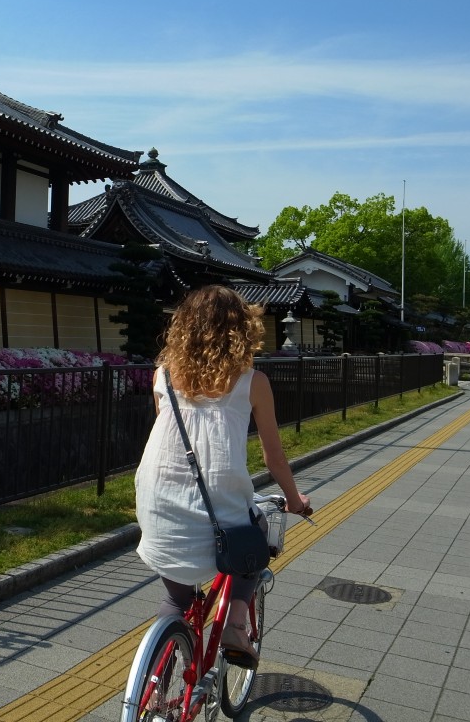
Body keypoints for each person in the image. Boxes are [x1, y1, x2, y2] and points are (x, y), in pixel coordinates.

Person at [134, 285, 310, 670]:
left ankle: (154, 686)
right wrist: (295, 500)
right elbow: (273, 457)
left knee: (178, 601)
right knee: (256, 534)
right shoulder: (253, 382)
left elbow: (167, 435)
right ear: (241, 330)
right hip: (218, 504)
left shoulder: (162, 375)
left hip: (156, 498)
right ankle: (234, 624)